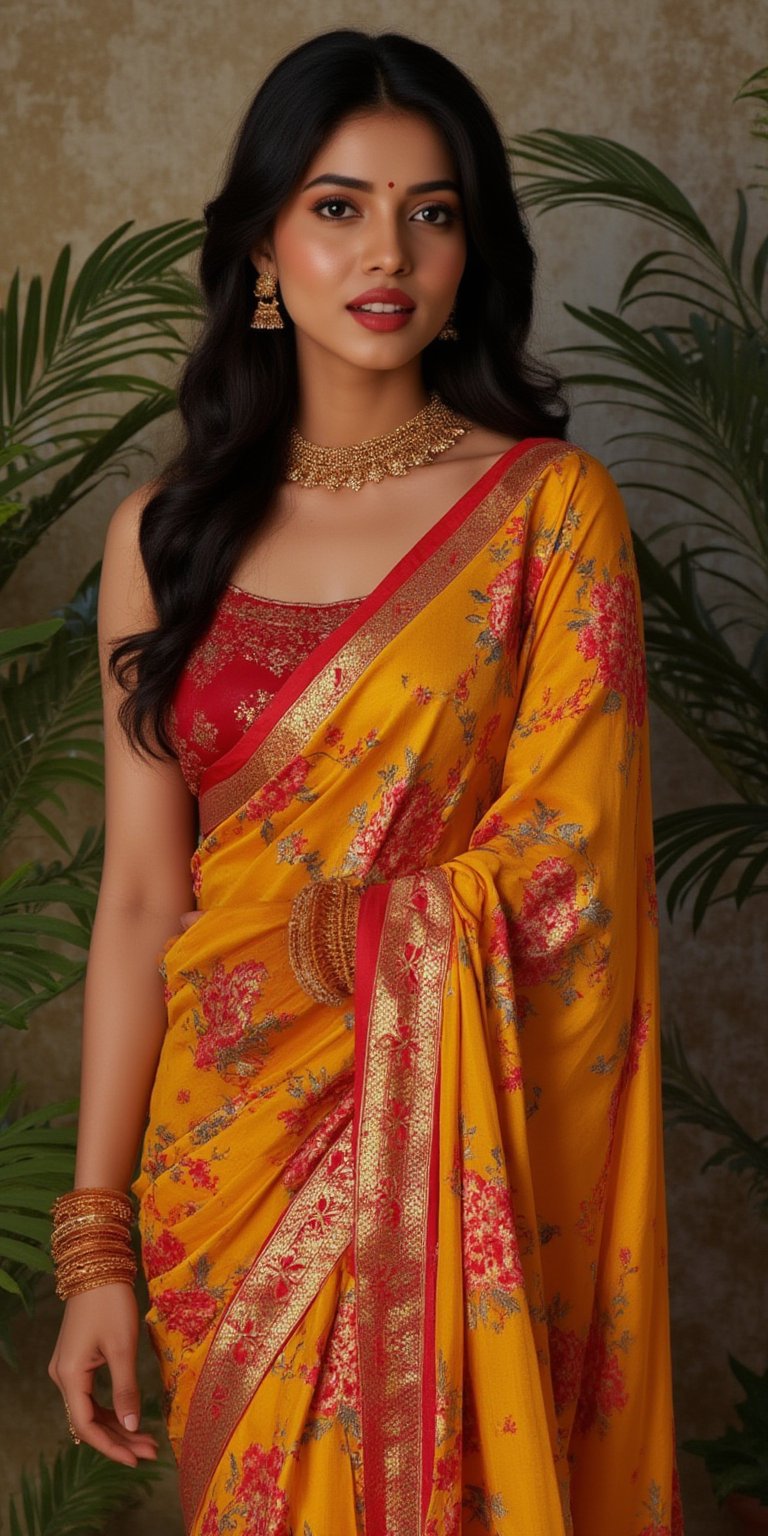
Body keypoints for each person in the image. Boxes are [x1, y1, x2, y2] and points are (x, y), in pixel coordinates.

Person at [47, 27, 684, 1536]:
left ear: (475, 248)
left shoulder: (545, 510)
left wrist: (342, 945)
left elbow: (575, 865)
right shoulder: (164, 534)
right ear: (263, 242)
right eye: (338, 206)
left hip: (450, 1142)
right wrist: (97, 1252)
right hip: (228, 1161)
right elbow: (143, 896)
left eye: (434, 208)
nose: (387, 249)